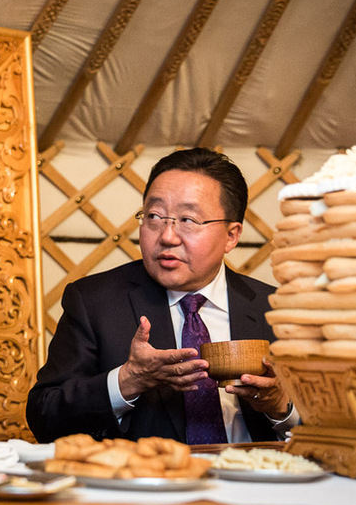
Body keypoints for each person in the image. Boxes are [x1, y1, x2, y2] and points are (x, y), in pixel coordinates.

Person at [27, 147, 298, 445]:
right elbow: (44, 417)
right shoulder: (94, 302)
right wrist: (127, 381)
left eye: (188, 220)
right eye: (154, 216)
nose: (167, 236)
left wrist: (281, 408)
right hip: (146, 484)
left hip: (256, 484)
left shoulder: (276, 309)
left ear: (231, 235)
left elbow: (337, 422)